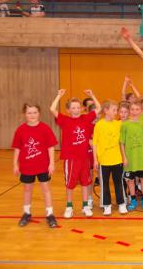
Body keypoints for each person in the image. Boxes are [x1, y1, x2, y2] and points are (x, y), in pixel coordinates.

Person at [50, 89, 101, 218]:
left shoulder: (86, 118)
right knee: (70, 184)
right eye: (73, 108)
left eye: (78, 107)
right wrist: (59, 96)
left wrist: (92, 95)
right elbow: (52, 109)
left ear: (81, 109)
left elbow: (99, 108)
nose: (76, 110)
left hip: (84, 158)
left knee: (85, 182)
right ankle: (69, 207)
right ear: (68, 110)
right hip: (71, 158)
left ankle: (85, 206)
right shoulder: (65, 121)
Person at [12, 103, 58, 228]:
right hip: (27, 166)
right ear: (24, 114)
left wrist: (52, 163)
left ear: (39, 114)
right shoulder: (21, 130)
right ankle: (26, 213)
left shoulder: (45, 128)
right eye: (29, 113)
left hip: (43, 165)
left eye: (34, 112)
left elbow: (51, 147)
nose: (32, 115)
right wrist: (15, 163)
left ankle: (50, 214)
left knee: (46, 189)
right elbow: (17, 147)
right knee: (27, 190)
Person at [93, 100, 127, 215]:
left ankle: (121, 203)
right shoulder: (99, 125)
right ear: (106, 111)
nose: (116, 112)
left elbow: (130, 120)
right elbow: (95, 143)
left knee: (119, 182)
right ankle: (106, 205)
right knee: (105, 184)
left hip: (117, 160)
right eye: (114, 110)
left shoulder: (118, 124)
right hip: (104, 161)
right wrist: (95, 159)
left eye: (117, 110)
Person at [120, 101, 143, 211]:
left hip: (141, 158)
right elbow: (122, 142)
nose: (134, 112)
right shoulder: (125, 124)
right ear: (129, 111)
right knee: (130, 180)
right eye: (132, 109)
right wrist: (124, 157)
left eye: (137, 109)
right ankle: (133, 199)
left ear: (141, 111)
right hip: (130, 159)